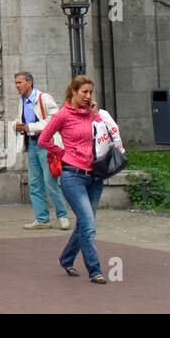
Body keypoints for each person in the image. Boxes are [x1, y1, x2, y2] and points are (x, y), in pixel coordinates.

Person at [37, 74, 126, 284]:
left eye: (90, 93)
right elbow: (43, 139)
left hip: (95, 176)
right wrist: (61, 153)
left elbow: (104, 137)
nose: (88, 96)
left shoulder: (93, 114)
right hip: (73, 176)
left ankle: (66, 258)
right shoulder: (63, 115)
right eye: (84, 92)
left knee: (86, 223)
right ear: (74, 92)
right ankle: (95, 270)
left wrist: (95, 115)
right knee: (88, 224)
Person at [12, 72, 70, 230]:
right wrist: (17, 126)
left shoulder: (44, 98)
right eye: (16, 83)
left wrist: (30, 127)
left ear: (29, 83)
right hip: (31, 143)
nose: (17, 86)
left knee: (50, 182)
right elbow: (21, 119)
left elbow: (55, 119)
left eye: (20, 82)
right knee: (34, 183)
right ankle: (42, 219)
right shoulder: (22, 101)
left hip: (46, 144)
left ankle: (62, 216)